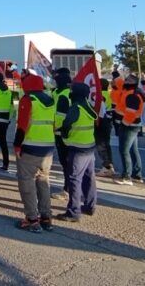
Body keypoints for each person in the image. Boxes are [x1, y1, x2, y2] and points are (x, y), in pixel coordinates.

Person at [12, 74, 56, 232]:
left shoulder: (28, 99)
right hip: (48, 149)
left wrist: (17, 145)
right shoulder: (50, 101)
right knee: (43, 183)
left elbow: (22, 125)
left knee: (27, 184)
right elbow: (54, 125)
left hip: (30, 148)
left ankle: (32, 219)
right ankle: (46, 217)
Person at [57, 83, 98, 222]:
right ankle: (90, 206)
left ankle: (74, 212)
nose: (70, 92)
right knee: (89, 178)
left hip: (77, 148)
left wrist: (64, 136)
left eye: (72, 90)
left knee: (74, 179)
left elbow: (67, 124)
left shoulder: (76, 108)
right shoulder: (88, 106)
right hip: (89, 147)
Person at [115, 75, 145, 185]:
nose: (125, 81)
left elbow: (130, 113)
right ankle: (137, 174)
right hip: (132, 125)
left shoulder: (132, 95)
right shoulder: (129, 91)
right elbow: (119, 83)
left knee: (124, 150)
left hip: (129, 126)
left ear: (133, 83)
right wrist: (115, 74)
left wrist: (124, 123)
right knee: (133, 150)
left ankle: (127, 176)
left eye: (128, 80)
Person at [51, 69, 72, 197]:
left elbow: (62, 115)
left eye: (56, 77)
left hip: (62, 131)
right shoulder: (57, 92)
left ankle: (67, 190)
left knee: (67, 163)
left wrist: (57, 127)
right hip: (58, 131)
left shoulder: (65, 93)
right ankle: (68, 188)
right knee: (65, 162)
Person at [94, 78, 115, 177]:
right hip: (108, 121)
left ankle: (107, 167)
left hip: (102, 121)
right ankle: (110, 165)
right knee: (106, 144)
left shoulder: (100, 95)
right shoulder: (109, 94)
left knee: (101, 145)